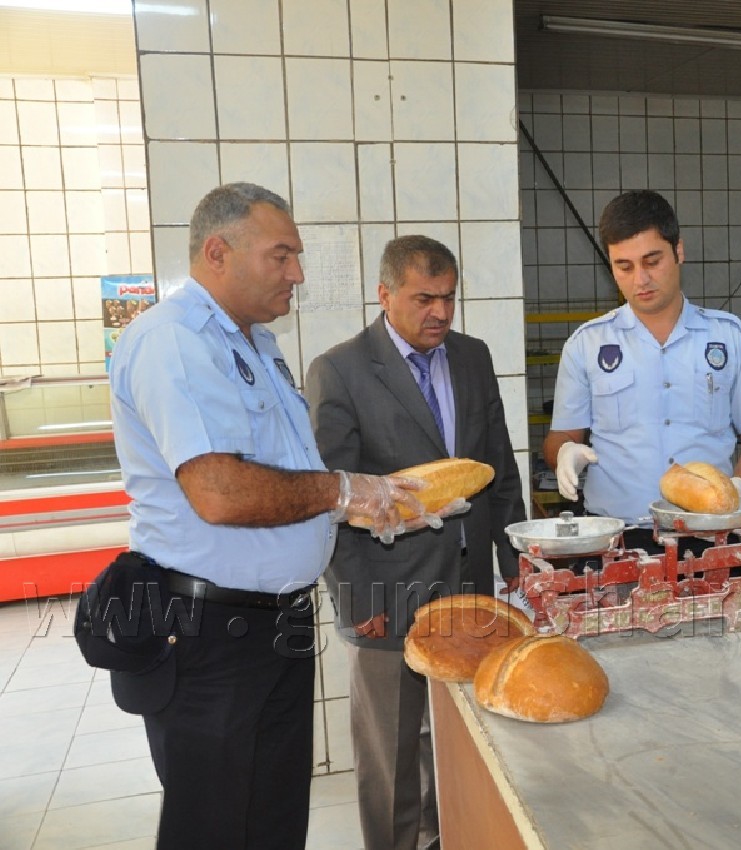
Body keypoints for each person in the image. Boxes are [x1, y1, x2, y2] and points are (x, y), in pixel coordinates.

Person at [107, 182, 428, 849]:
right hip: (206, 635)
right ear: (218, 252)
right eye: (281, 256)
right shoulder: (174, 341)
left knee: (273, 819)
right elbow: (220, 492)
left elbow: (282, 479)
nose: (298, 274)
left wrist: (364, 508)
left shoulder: (253, 344)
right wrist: (344, 492)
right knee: (217, 827)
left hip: (272, 622)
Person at [305, 234, 526, 850]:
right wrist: (356, 602)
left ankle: (449, 835)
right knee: (394, 748)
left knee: (467, 735)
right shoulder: (340, 370)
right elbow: (330, 497)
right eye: (424, 298)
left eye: (449, 298)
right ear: (385, 295)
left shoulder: (473, 357)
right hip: (386, 590)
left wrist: (517, 564)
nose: (440, 313)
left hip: (469, 584)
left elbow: (499, 469)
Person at [543, 189, 741, 537]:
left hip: (709, 533)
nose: (640, 279)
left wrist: (734, 493)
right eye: (624, 266)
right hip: (616, 536)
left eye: (652, 261)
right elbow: (562, 434)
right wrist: (565, 452)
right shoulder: (588, 344)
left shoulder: (727, 336)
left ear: (678, 251)